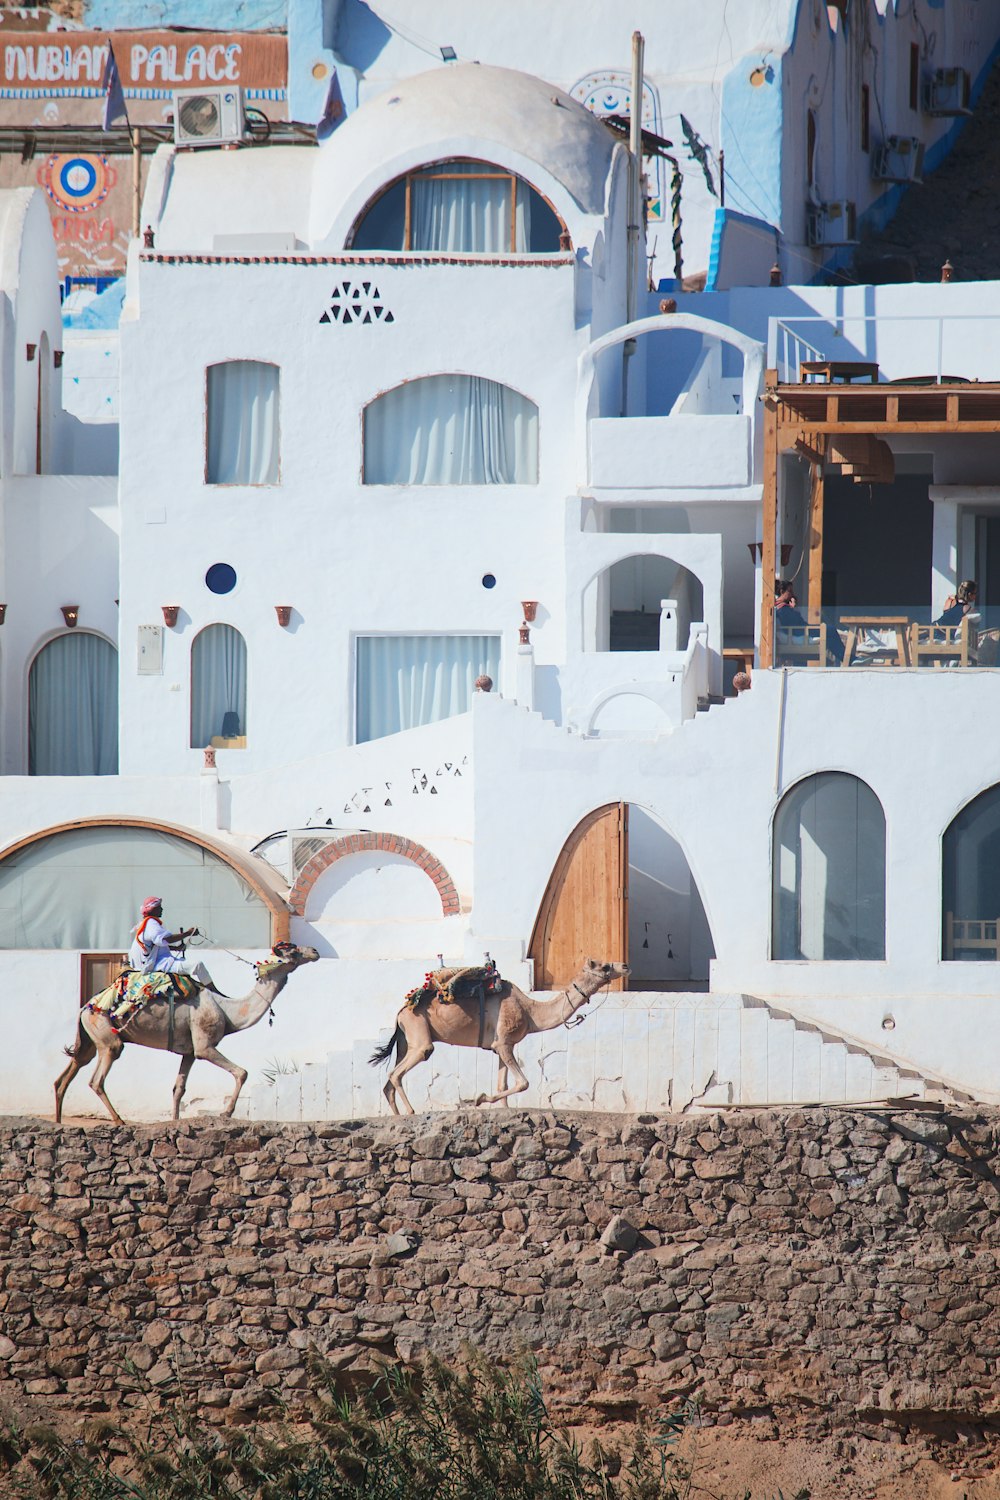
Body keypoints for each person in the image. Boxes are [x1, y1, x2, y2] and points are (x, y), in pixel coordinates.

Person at [128, 897, 215, 988]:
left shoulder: (146, 924)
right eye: (159, 907)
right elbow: (166, 939)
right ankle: (216, 993)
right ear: (153, 910)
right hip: (157, 964)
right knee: (197, 965)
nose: (162, 909)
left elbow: (155, 945)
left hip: (155, 962)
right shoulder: (151, 923)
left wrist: (176, 948)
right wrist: (188, 933)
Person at [774, 581, 845, 664]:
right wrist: (794, 608)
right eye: (790, 591)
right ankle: (847, 658)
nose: (792, 594)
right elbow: (792, 623)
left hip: (802, 629)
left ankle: (845, 658)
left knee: (829, 632)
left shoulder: (783, 607)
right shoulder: (782, 609)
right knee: (830, 630)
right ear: (782, 591)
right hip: (800, 631)